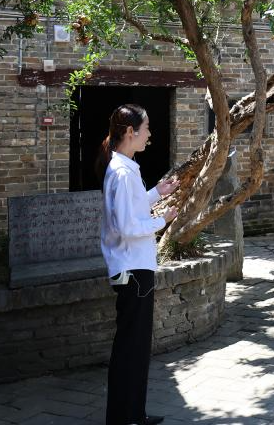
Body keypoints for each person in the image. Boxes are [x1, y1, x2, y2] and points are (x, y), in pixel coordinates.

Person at [97, 104, 179, 425]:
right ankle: (125, 417)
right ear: (130, 132)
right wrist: (162, 220)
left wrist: (157, 192)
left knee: (135, 345)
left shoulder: (125, 168)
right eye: (145, 129)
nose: (149, 134)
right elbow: (127, 226)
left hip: (134, 268)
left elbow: (131, 209)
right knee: (132, 346)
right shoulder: (121, 172)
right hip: (133, 271)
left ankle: (132, 414)